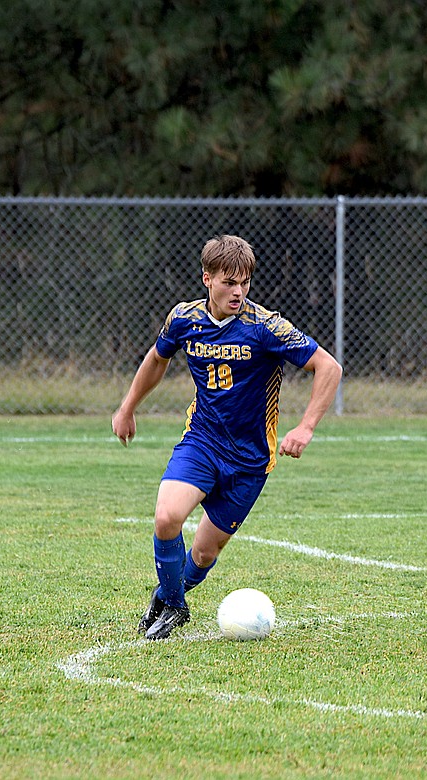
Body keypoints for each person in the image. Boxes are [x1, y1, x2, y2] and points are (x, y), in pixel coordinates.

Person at [112, 234, 342, 639]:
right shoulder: (184, 318)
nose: (237, 292)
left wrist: (305, 427)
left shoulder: (266, 327)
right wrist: (128, 406)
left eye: (244, 283)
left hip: (250, 460)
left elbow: (328, 367)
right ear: (207, 278)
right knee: (167, 518)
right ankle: (175, 608)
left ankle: (167, 594)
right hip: (201, 441)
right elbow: (156, 359)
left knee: (203, 552)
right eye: (228, 282)